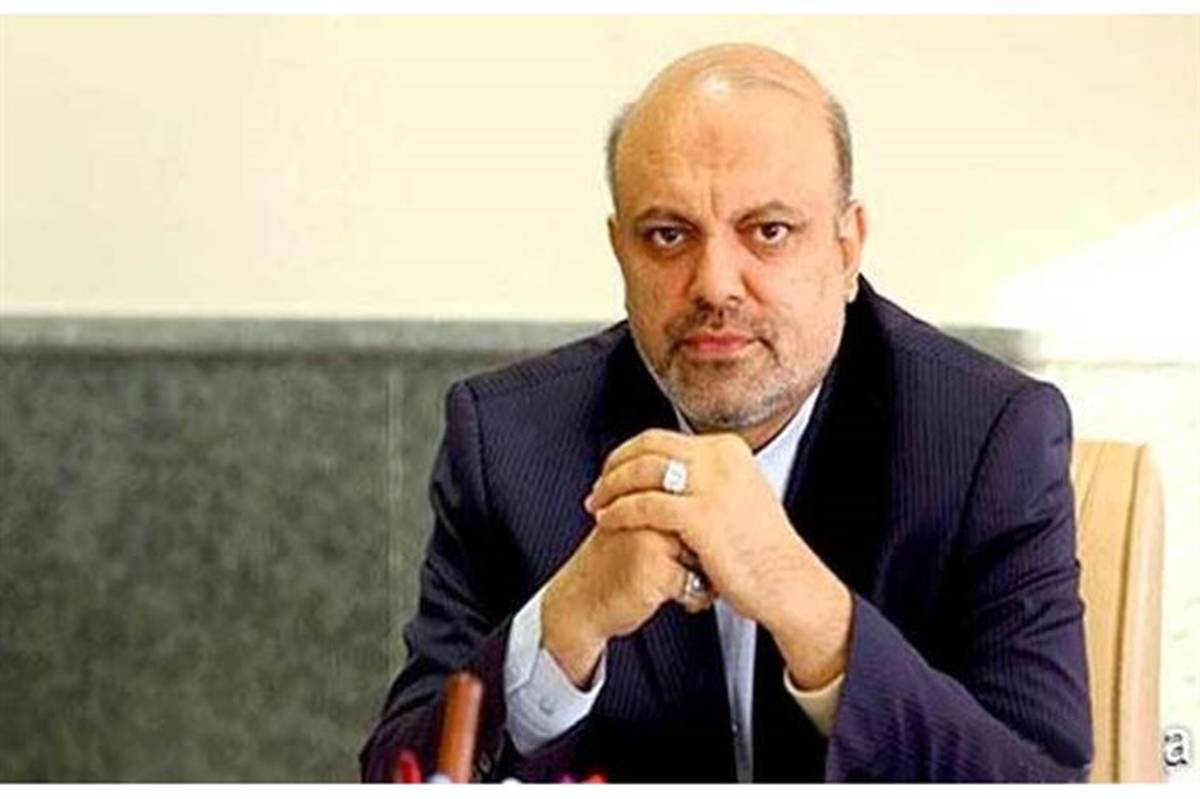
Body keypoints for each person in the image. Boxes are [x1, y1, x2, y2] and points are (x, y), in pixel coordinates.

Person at [360, 43, 1093, 782]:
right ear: (620, 251)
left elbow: (1044, 782)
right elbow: (399, 772)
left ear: (847, 247)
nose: (714, 284)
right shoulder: (510, 439)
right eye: (668, 235)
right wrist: (562, 624)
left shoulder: (987, 437)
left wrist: (809, 606)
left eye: (768, 231)